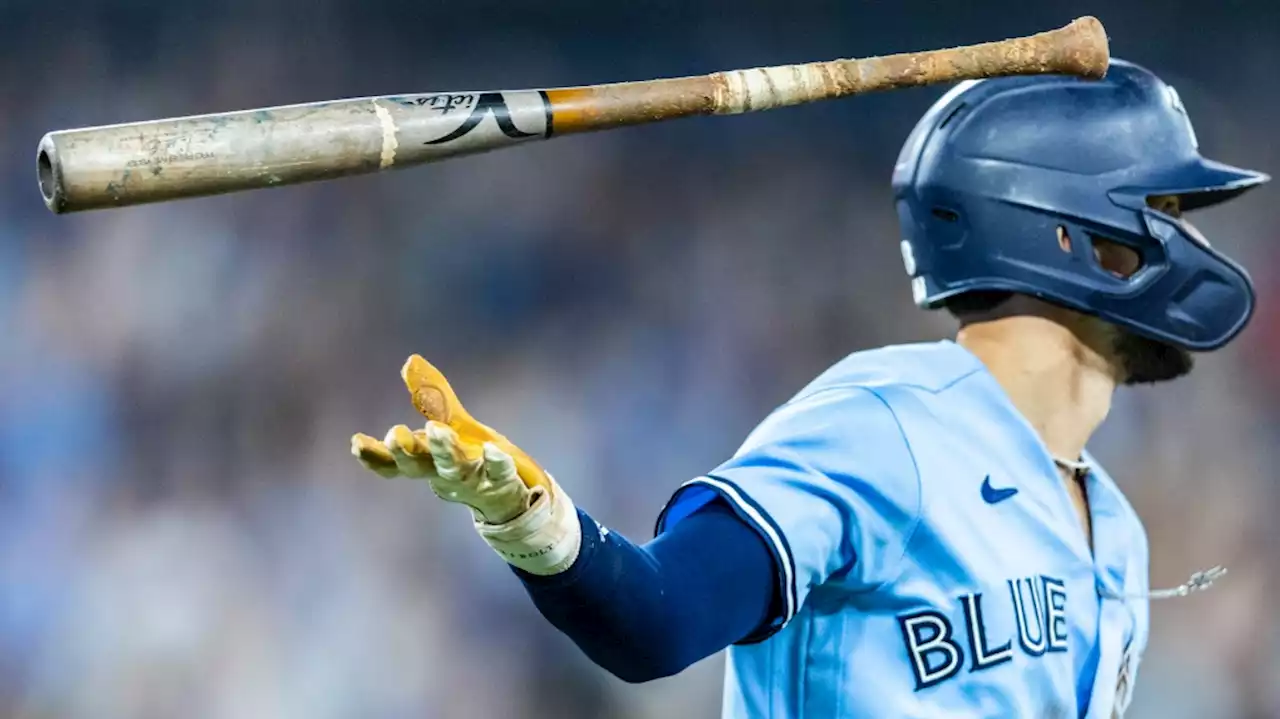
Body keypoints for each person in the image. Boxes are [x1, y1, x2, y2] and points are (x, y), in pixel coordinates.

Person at [351, 59, 1268, 718]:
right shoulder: (887, 426)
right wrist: (534, 522)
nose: (1187, 242)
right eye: (1165, 212)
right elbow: (655, 622)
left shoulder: (1119, 533)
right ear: (1069, 235)